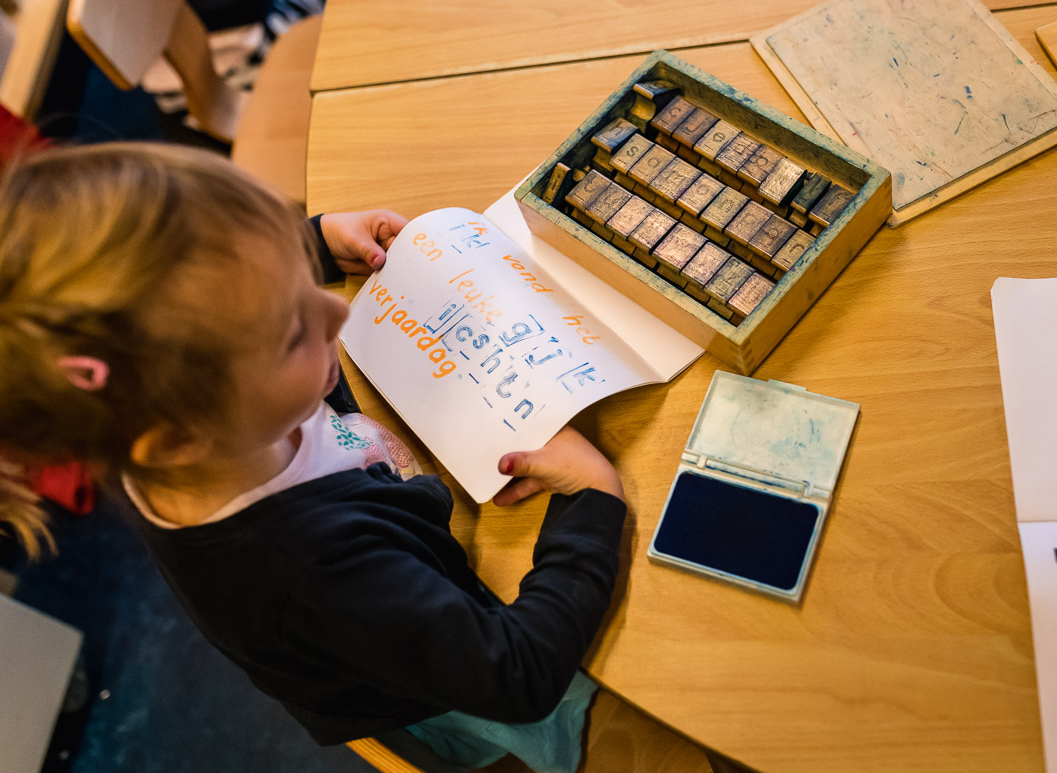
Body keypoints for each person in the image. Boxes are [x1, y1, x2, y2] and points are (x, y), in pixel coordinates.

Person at [0, 142, 628, 772]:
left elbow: (225, 295)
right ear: (178, 438)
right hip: (455, 685)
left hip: (411, 582)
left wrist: (320, 241)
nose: (335, 308)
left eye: (299, 280)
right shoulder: (308, 571)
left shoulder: (171, 420)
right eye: (292, 330)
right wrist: (591, 503)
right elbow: (517, 675)